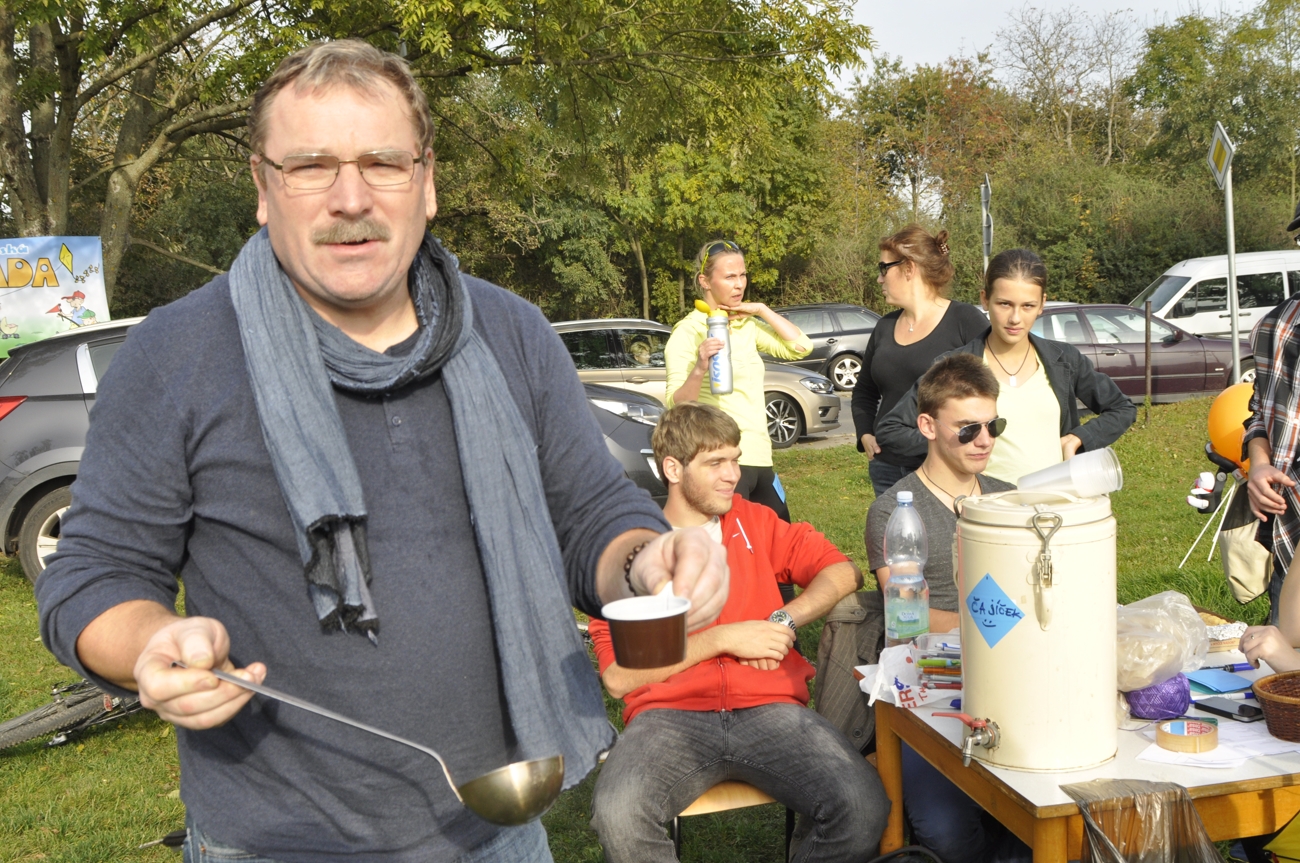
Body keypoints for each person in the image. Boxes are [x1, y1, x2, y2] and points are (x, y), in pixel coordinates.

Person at [35, 40, 729, 863]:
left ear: (426, 181)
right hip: (275, 844)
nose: (350, 198)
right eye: (310, 166)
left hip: (501, 826)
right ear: (262, 186)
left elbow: (589, 517)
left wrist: (649, 560)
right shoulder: (175, 354)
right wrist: (149, 640)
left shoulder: (513, 332)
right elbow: (94, 573)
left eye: (382, 163)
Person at [588, 402, 889, 863]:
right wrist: (722, 639)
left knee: (863, 806)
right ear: (672, 469)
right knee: (619, 817)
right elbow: (618, 677)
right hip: (668, 718)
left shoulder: (754, 521)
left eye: (735, 459)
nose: (733, 475)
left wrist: (783, 620)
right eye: (715, 463)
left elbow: (842, 571)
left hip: (771, 709)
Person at [864, 353, 1027, 863]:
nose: (985, 440)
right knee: (950, 835)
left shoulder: (1010, 499)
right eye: (968, 429)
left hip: (1012, 684)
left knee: (1048, 814)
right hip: (931, 691)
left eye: (993, 425)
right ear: (928, 426)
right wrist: (1001, 628)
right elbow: (905, 617)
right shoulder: (894, 511)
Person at [875, 248, 1135, 485]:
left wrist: (1079, 438)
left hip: (1056, 507)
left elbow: (1122, 409)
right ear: (985, 299)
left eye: (1028, 306)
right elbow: (891, 431)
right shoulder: (953, 367)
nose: (1015, 318)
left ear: (1042, 304)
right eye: (1004, 304)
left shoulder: (1064, 360)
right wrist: (957, 441)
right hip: (984, 511)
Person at [665, 240, 812, 521]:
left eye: (743, 275)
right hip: (721, 460)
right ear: (705, 281)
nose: (739, 284)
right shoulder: (688, 331)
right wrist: (700, 367)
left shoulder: (747, 324)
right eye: (730, 277)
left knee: (780, 541)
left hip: (761, 456)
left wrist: (761, 310)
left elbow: (801, 347)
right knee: (733, 545)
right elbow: (676, 404)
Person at [852, 225, 988, 495]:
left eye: (883, 268)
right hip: (887, 468)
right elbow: (864, 391)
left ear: (909, 268)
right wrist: (865, 433)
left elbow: (988, 393)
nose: (879, 279)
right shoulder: (884, 327)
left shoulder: (965, 321)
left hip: (946, 470)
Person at [1243, 201, 1300, 625]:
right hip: (1292, 528)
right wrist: (1259, 465)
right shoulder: (1276, 328)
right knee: (1284, 652)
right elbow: (1259, 412)